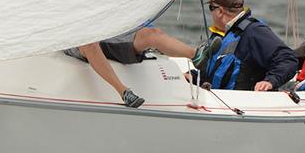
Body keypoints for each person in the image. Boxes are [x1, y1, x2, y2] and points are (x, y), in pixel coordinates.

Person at [65, 26, 218, 108]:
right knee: (89, 43)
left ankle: (195, 55)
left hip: (109, 31)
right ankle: (124, 92)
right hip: (75, 35)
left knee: (152, 33)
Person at [193, 0, 299, 91]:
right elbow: (213, 71)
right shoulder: (222, 34)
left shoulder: (254, 31)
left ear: (220, 11)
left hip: (243, 102)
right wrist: (193, 77)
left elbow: (288, 59)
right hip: (217, 98)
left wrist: (270, 81)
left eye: (211, 8)